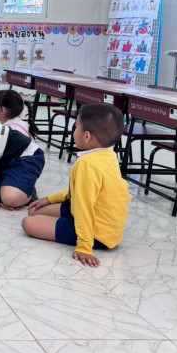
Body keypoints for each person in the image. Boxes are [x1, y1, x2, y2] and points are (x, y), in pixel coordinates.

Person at [22, 104, 131, 267]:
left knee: (28, 223)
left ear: (87, 136)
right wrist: (50, 199)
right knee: (33, 210)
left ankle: (77, 232)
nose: (73, 132)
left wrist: (84, 246)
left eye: (76, 127)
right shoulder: (108, 154)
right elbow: (81, 191)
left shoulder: (87, 163)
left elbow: (83, 206)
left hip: (97, 233)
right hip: (105, 224)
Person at [0, 90, 45, 210]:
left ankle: (28, 194)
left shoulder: (13, 129)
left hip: (26, 161)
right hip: (10, 161)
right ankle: (13, 188)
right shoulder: (11, 124)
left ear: (2, 110)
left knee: (9, 199)